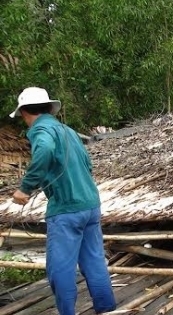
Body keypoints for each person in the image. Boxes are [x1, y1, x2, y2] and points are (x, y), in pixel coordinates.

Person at [10, 87, 116, 315]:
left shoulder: (41, 130)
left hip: (66, 209)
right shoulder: (68, 131)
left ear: (26, 112)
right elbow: (87, 164)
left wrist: (25, 188)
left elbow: (46, 150)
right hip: (90, 205)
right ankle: (107, 310)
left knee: (60, 268)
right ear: (48, 107)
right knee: (94, 262)